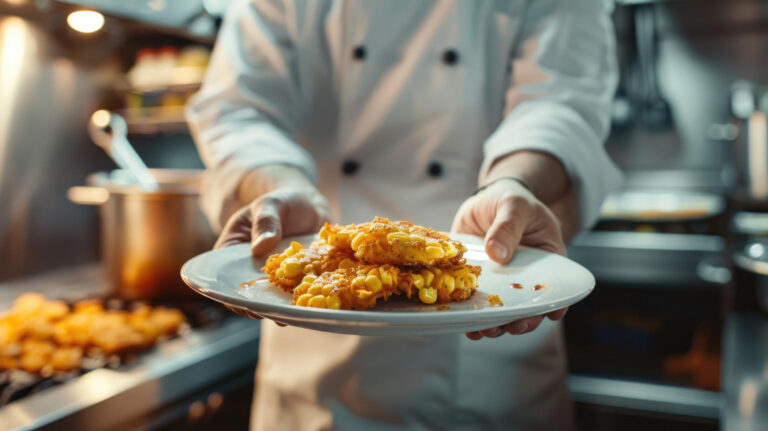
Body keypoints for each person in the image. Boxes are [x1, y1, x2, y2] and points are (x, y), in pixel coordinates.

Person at [187, 0, 621, 429]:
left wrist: (512, 184)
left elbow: (561, 103)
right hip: (314, 360)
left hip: (496, 342)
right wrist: (280, 187)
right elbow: (238, 109)